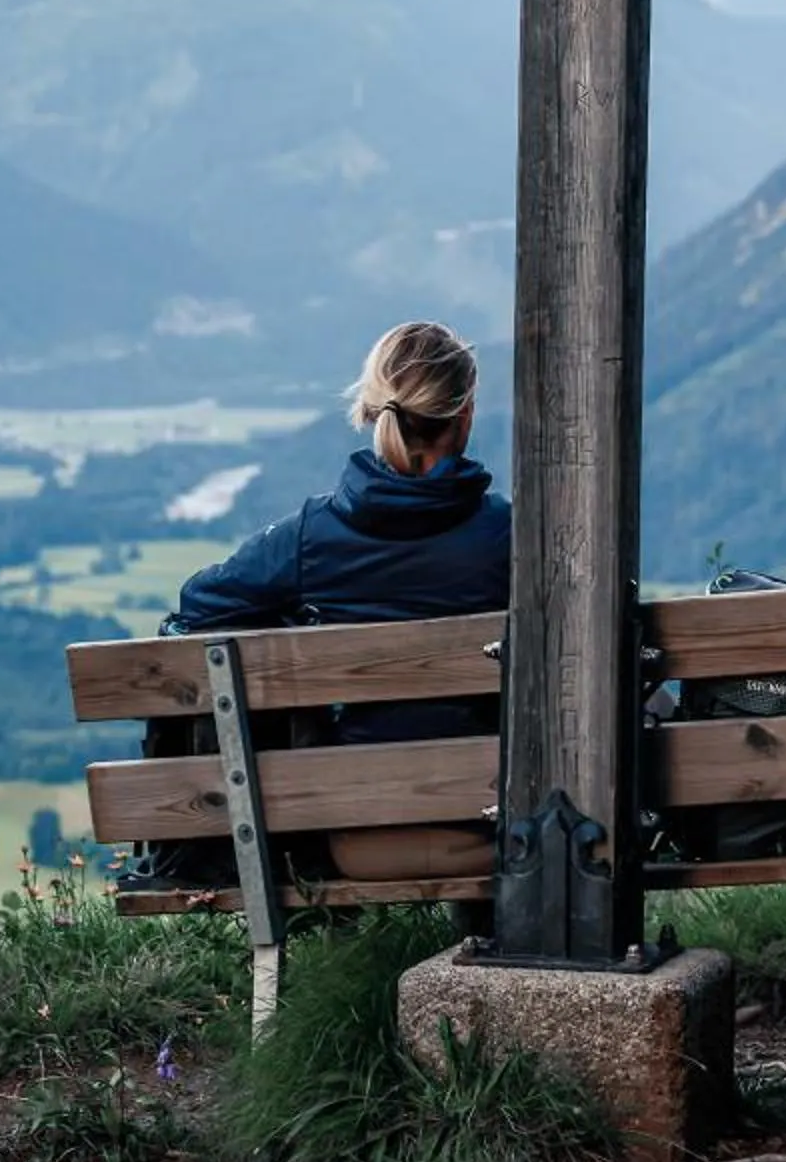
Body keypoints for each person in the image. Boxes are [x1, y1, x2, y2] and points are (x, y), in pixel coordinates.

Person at [118, 320, 512, 892]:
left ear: (373, 412)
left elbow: (197, 607)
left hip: (346, 836)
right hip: (500, 829)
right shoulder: (509, 536)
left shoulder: (309, 538)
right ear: (466, 415)